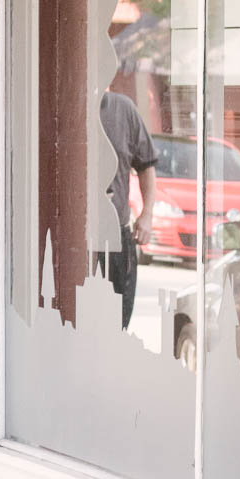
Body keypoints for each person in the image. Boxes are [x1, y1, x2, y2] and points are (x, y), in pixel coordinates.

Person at [99, 88, 157, 329]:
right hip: (75, 239)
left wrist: (146, 215)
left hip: (117, 238)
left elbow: (146, 165)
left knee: (117, 326)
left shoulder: (124, 110)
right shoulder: (68, 105)